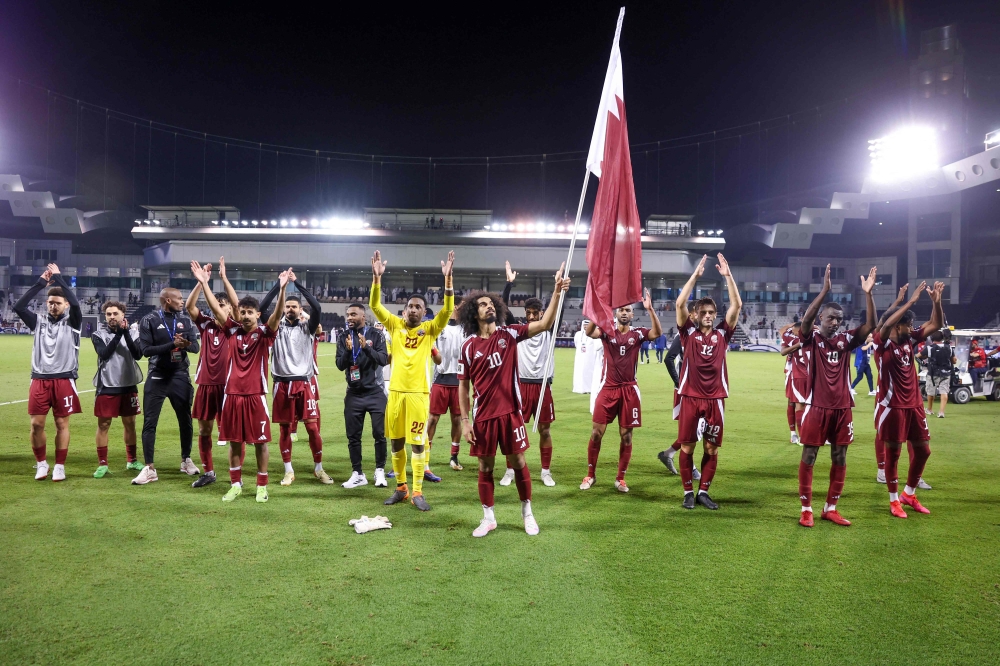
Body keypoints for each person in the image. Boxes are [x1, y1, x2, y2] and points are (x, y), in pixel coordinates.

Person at [457, 264, 570, 537]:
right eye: (482, 305)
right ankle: (488, 517)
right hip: (483, 416)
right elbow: (463, 386)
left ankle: (527, 513)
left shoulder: (509, 334)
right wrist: (465, 422)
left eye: (490, 303)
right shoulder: (468, 346)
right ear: (475, 313)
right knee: (485, 466)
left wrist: (556, 292)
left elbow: (544, 324)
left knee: (519, 463)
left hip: (511, 414)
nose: (488, 307)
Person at [191, 261, 289, 503]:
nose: (245, 316)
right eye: (242, 312)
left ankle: (262, 486)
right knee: (234, 443)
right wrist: (204, 283)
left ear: (258, 314)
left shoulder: (265, 333)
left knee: (260, 442)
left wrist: (283, 288)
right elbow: (217, 308)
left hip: (256, 396)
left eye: (249, 312)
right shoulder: (231, 331)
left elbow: (277, 315)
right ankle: (236, 484)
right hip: (232, 396)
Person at [369, 249, 455, 511]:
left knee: (417, 443)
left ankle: (418, 491)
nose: (414, 310)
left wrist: (448, 281)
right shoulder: (394, 325)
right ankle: (402, 488)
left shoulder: (429, 329)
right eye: (410, 306)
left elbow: (448, 309)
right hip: (394, 393)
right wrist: (377, 280)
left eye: (419, 307)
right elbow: (374, 306)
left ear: (425, 312)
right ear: (404, 311)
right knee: (395, 441)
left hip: (418, 394)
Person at [796, 264, 877, 527]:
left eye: (839, 320)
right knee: (810, 455)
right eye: (831, 318)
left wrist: (868, 294)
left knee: (840, 456)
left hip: (843, 407)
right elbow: (806, 321)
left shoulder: (846, 341)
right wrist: (824, 291)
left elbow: (871, 326)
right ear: (822, 318)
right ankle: (806, 509)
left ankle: (830, 508)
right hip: (816, 405)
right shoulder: (812, 339)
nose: (835, 323)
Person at [673, 254, 742, 510]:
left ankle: (704, 491)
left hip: (715, 399)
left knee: (712, 449)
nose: (708, 316)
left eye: (712, 312)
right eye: (703, 312)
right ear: (696, 314)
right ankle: (687, 492)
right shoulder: (687, 332)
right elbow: (680, 303)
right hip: (690, 397)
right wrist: (695, 277)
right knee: (688, 447)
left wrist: (727, 276)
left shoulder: (724, 333)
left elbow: (737, 305)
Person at [581, 286, 663, 494]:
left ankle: (621, 478)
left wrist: (651, 309)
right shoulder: (607, 331)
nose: (624, 313)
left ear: (632, 314)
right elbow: (589, 332)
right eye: (621, 310)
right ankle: (590, 475)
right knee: (596, 433)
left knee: (626, 436)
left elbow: (657, 333)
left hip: (629, 391)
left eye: (628, 310)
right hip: (607, 389)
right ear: (616, 314)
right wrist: (600, 313)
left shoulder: (638, 334)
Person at [874, 281, 943, 518]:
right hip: (892, 406)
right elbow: (886, 325)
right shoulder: (881, 342)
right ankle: (894, 501)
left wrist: (936, 302)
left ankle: (909, 493)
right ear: (897, 326)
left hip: (914, 405)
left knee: (923, 451)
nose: (912, 328)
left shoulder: (909, 340)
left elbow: (937, 324)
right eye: (908, 325)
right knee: (894, 454)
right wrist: (910, 301)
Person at [257, 276, 330, 486]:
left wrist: (297, 284)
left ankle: (319, 468)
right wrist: (278, 288)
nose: (290, 309)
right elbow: (261, 309)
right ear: (282, 308)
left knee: (313, 428)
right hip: (281, 384)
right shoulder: (274, 328)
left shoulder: (307, 327)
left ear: (300, 309)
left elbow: (316, 306)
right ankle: (288, 470)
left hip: (304, 383)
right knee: (285, 429)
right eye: (287, 306)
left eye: (294, 306)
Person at [13, 264, 82, 481]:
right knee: (36, 425)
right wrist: (41, 282)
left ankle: (60, 465)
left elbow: (78, 305)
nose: (53, 306)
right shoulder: (38, 322)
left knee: (62, 424)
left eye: (58, 303)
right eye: (50, 303)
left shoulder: (73, 323)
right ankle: (41, 463)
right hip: (39, 379)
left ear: (66, 304)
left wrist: (60, 278)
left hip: (64, 379)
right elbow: (19, 307)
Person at [132, 285, 201, 485]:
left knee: (185, 420)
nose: (182, 301)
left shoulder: (185, 320)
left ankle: (186, 460)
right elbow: (146, 350)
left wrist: (187, 345)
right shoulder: (149, 320)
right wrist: (173, 345)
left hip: (180, 375)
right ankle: (149, 468)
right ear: (168, 300)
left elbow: (196, 347)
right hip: (158, 375)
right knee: (150, 422)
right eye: (179, 298)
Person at [498, 261, 558, 487]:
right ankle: (510, 471)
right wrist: (509, 284)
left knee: (544, 429)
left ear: (542, 313)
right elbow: (502, 307)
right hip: (520, 385)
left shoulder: (549, 328)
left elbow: (556, 312)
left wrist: (557, 289)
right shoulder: (518, 330)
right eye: (529, 313)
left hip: (543, 386)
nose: (532, 316)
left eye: (536, 313)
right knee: (515, 429)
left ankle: (545, 471)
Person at [185, 262, 232, 488]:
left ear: (231, 309)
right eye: (216, 305)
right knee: (204, 430)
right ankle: (209, 471)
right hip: (205, 383)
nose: (217, 308)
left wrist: (215, 281)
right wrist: (199, 282)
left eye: (223, 305)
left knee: (233, 432)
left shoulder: (234, 328)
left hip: (229, 386)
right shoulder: (205, 325)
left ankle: (236, 475)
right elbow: (189, 306)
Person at [336, 302, 390, 488]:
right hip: (354, 394)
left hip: (375, 392)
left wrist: (366, 347)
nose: (350, 317)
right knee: (353, 436)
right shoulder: (343, 336)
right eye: (348, 314)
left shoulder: (376, 335)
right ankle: (358, 473)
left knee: (379, 434)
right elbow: (340, 365)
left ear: (363, 317)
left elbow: (383, 359)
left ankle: (379, 471)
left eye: (353, 314)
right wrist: (349, 351)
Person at [91, 301, 143, 478]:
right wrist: (119, 334)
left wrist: (125, 333)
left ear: (123, 314)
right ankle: (102, 464)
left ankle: (132, 460)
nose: (111, 317)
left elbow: (138, 354)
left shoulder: (135, 333)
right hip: (107, 385)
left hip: (129, 384)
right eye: (108, 314)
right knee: (103, 425)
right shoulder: (98, 334)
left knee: (130, 424)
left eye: (115, 313)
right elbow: (104, 354)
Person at [656, 329, 701, 480]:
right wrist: (679, 383)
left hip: (702, 391)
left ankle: (668, 454)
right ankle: (691, 467)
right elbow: (669, 358)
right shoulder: (682, 335)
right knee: (689, 430)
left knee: (697, 429)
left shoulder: (707, 335)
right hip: (685, 391)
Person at [428, 315, 466, 473]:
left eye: (458, 308)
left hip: (458, 381)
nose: (455, 312)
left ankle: (454, 457)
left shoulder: (467, 328)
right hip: (440, 379)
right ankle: (425, 456)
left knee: (457, 419)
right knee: (432, 419)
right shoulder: (439, 326)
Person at [779, 322, 807, 445]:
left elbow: (782, 331)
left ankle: (806, 433)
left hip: (804, 372)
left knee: (807, 403)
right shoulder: (792, 336)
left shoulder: (790, 336)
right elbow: (782, 332)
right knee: (793, 401)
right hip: (793, 371)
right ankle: (794, 434)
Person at [922, 330, 956, 418]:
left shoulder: (930, 348)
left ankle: (929, 409)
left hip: (932, 373)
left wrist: (923, 364)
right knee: (944, 392)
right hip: (945, 373)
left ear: (932, 338)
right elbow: (954, 361)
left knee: (930, 392)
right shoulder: (949, 347)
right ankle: (941, 412)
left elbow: (918, 356)